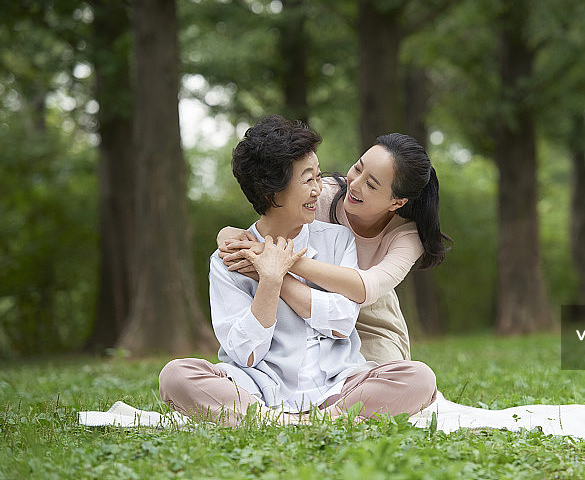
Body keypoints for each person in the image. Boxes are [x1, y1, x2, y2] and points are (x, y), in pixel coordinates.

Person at [158, 115, 437, 427]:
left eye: (318, 177)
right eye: (308, 180)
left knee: (419, 378)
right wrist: (268, 282)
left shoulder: (342, 239)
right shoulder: (231, 259)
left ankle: (290, 419)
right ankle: (284, 418)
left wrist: (277, 268)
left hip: (339, 378)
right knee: (175, 376)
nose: (319, 188)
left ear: (397, 201)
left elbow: (343, 322)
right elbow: (245, 353)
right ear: (271, 193)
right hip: (258, 385)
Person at [218, 132, 452, 363]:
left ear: (397, 202)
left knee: (395, 378)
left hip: (370, 312)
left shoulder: (406, 236)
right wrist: (229, 234)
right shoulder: (321, 194)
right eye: (358, 168)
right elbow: (271, 220)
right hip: (308, 297)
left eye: (371, 185)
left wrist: (279, 264)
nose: (355, 184)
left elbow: (365, 288)